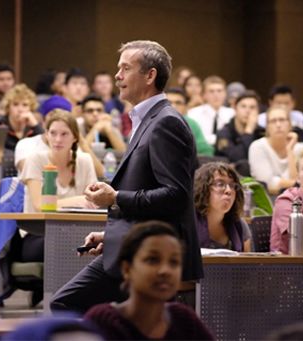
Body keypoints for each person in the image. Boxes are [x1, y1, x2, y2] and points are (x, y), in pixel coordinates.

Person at [50, 40, 202, 314]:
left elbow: (176, 196)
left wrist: (116, 197)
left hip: (155, 256)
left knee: (66, 303)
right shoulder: (147, 119)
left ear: (150, 75)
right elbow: (153, 196)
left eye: (125, 68)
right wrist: (111, 236)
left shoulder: (165, 122)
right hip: (133, 246)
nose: (117, 75)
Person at [84, 221, 214, 340]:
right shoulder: (104, 321)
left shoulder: (183, 320)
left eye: (174, 262)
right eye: (153, 260)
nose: (165, 270)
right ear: (127, 269)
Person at [20, 109, 97, 262]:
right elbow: (39, 206)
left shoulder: (85, 161)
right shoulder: (35, 159)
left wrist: (79, 201)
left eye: (64, 134)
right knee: (65, 246)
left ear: (75, 137)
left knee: (99, 245)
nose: (57, 140)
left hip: (75, 232)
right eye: (53, 133)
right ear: (46, 134)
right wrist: (77, 200)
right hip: (38, 234)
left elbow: (93, 203)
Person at [15, 95, 105, 179]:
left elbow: (100, 173)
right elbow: (32, 172)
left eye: (62, 115)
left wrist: (81, 142)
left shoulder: (72, 147)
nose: (57, 119)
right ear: (44, 121)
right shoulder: (26, 144)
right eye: (52, 114)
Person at [194, 162, 251, 252]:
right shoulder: (188, 224)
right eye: (220, 184)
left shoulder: (240, 225)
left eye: (232, 185)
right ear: (202, 189)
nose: (228, 190)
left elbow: (244, 264)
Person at [249, 105, 303, 192]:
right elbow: (267, 183)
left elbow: (298, 181)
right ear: (267, 127)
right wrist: (298, 184)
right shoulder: (258, 147)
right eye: (273, 121)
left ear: (290, 124)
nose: (278, 125)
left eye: (282, 120)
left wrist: (290, 150)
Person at [215, 90, 265, 174]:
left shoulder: (261, 133)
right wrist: (249, 131)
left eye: (252, 107)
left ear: (258, 111)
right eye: (243, 106)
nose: (247, 111)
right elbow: (238, 158)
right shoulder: (224, 133)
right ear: (235, 108)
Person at [164, 86, 213, 156]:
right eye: (169, 102)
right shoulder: (152, 122)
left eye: (178, 103)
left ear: (186, 108)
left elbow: (207, 151)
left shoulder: (192, 124)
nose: (173, 106)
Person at [187, 75, 235, 145]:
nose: (216, 95)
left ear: (225, 94)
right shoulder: (193, 114)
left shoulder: (232, 114)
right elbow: (195, 138)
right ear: (204, 95)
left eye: (219, 91)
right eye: (211, 91)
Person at [0, 83, 44, 152]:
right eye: (15, 104)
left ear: (30, 108)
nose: (20, 109)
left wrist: (35, 125)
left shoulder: (35, 128)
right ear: (8, 107)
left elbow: (46, 146)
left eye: (25, 105)